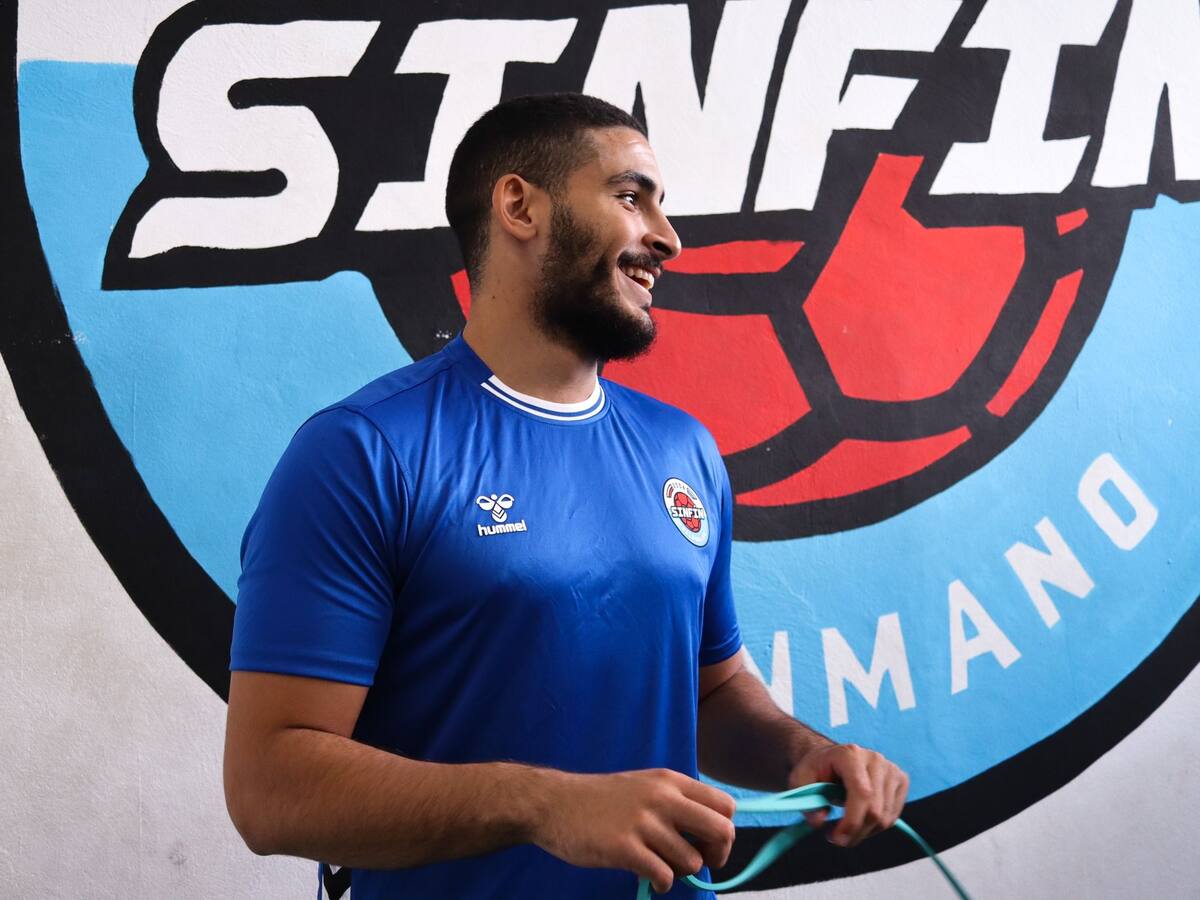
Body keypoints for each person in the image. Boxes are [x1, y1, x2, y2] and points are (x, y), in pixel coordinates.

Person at [223, 93, 909, 900]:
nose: (668, 237)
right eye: (631, 196)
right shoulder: (364, 453)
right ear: (521, 207)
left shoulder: (682, 449)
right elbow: (269, 789)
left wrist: (802, 755)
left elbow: (711, 693)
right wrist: (543, 805)